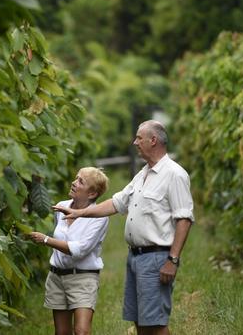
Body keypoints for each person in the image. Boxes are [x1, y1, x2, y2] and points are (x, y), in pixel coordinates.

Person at [54, 120, 194, 335]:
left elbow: (184, 218)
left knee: (155, 323)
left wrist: (172, 260)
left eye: (139, 137)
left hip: (156, 257)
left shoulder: (174, 174)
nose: (134, 142)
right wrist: (80, 213)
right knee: (140, 320)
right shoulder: (143, 174)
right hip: (136, 257)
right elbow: (116, 203)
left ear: (153, 140)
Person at [29, 167, 110, 335]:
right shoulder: (61, 207)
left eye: (81, 181)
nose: (74, 183)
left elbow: (80, 249)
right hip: (57, 277)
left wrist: (46, 240)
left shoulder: (100, 216)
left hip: (83, 278)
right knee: (61, 332)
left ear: (92, 194)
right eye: (76, 178)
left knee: (81, 331)